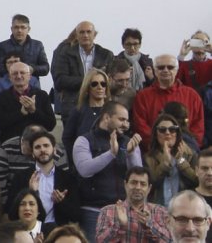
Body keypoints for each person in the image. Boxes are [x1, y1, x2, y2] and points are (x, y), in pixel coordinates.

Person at [73, 101, 143, 242]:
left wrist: (130, 154)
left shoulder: (129, 142)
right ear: (106, 118)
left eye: (127, 121)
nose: (126, 124)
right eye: (121, 119)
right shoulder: (84, 140)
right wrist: (111, 153)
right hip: (93, 211)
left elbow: (138, 176)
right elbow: (85, 170)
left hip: (123, 211)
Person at [7, 131, 79, 226]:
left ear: (54, 150)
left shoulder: (68, 178)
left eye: (46, 145)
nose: (42, 150)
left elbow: (76, 215)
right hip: (29, 230)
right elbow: (12, 213)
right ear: (32, 153)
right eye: (37, 147)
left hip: (56, 230)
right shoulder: (21, 177)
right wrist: (30, 192)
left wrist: (61, 202)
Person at [133, 54, 205, 150]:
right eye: (161, 67)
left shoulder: (192, 95)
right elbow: (140, 125)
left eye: (170, 67)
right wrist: (159, 145)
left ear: (177, 70)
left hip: (186, 151)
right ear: (155, 70)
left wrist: (186, 148)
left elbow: (198, 126)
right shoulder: (142, 96)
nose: (165, 70)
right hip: (153, 153)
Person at [51, 21, 114, 127]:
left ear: (94, 34)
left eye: (89, 32)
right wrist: (88, 80)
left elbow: (109, 81)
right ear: (76, 34)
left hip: (100, 107)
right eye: (82, 32)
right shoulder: (65, 53)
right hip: (72, 106)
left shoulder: (106, 55)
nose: (85, 35)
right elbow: (59, 81)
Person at [0, 125, 67, 205]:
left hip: (51, 201)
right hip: (16, 201)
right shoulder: (7, 148)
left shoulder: (54, 151)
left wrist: (61, 197)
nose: (34, 154)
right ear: (23, 141)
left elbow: (65, 181)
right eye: (31, 149)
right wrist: (8, 208)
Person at [95, 166, 171, 242]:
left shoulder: (161, 211)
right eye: (133, 183)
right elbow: (99, 241)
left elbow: (170, 240)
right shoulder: (107, 211)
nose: (138, 187)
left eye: (143, 184)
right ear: (125, 184)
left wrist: (150, 224)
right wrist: (120, 225)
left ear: (149, 188)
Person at [0, 62, 56, 143]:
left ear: (29, 76)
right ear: (10, 77)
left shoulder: (41, 95)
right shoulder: (3, 97)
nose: (19, 76)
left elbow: (51, 125)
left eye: (22, 73)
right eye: (15, 73)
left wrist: (34, 111)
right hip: (11, 143)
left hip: (37, 143)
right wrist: (20, 113)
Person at [143, 114, 198, 206]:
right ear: (156, 134)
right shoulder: (149, 158)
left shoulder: (190, 154)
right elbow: (150, 184)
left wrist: (181, 161)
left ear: (177, 133)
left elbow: (196, 182)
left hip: (185, 207)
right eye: (162, 130)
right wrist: (165, 164)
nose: (167, 133)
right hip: (158, 207)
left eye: (172, 129)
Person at [61, 69, 110, 167]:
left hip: (109, 165)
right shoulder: (78, 111)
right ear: (87, 88)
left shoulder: (112, 110)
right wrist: (77, 159)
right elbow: (67, 138)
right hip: (84, 165)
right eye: (94, 84)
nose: (99, 87)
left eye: (103, 84)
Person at [0, 13, 49, 82]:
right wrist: (14, 71)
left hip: (32, 85)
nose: (19, 30)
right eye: (16, 27)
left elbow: (45, 68)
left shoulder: (37, 45)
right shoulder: (3, 46)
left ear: (29, 29)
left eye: (23, 27)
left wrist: (31, 69)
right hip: (8, 85)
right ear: (11, 29)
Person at [176, 30, 211, 95]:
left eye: (203, 42)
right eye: (196, 42)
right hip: (191, 101)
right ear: (192, 44)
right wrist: (181, 56)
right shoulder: (184, 65)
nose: (199, 45)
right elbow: (174, 84)